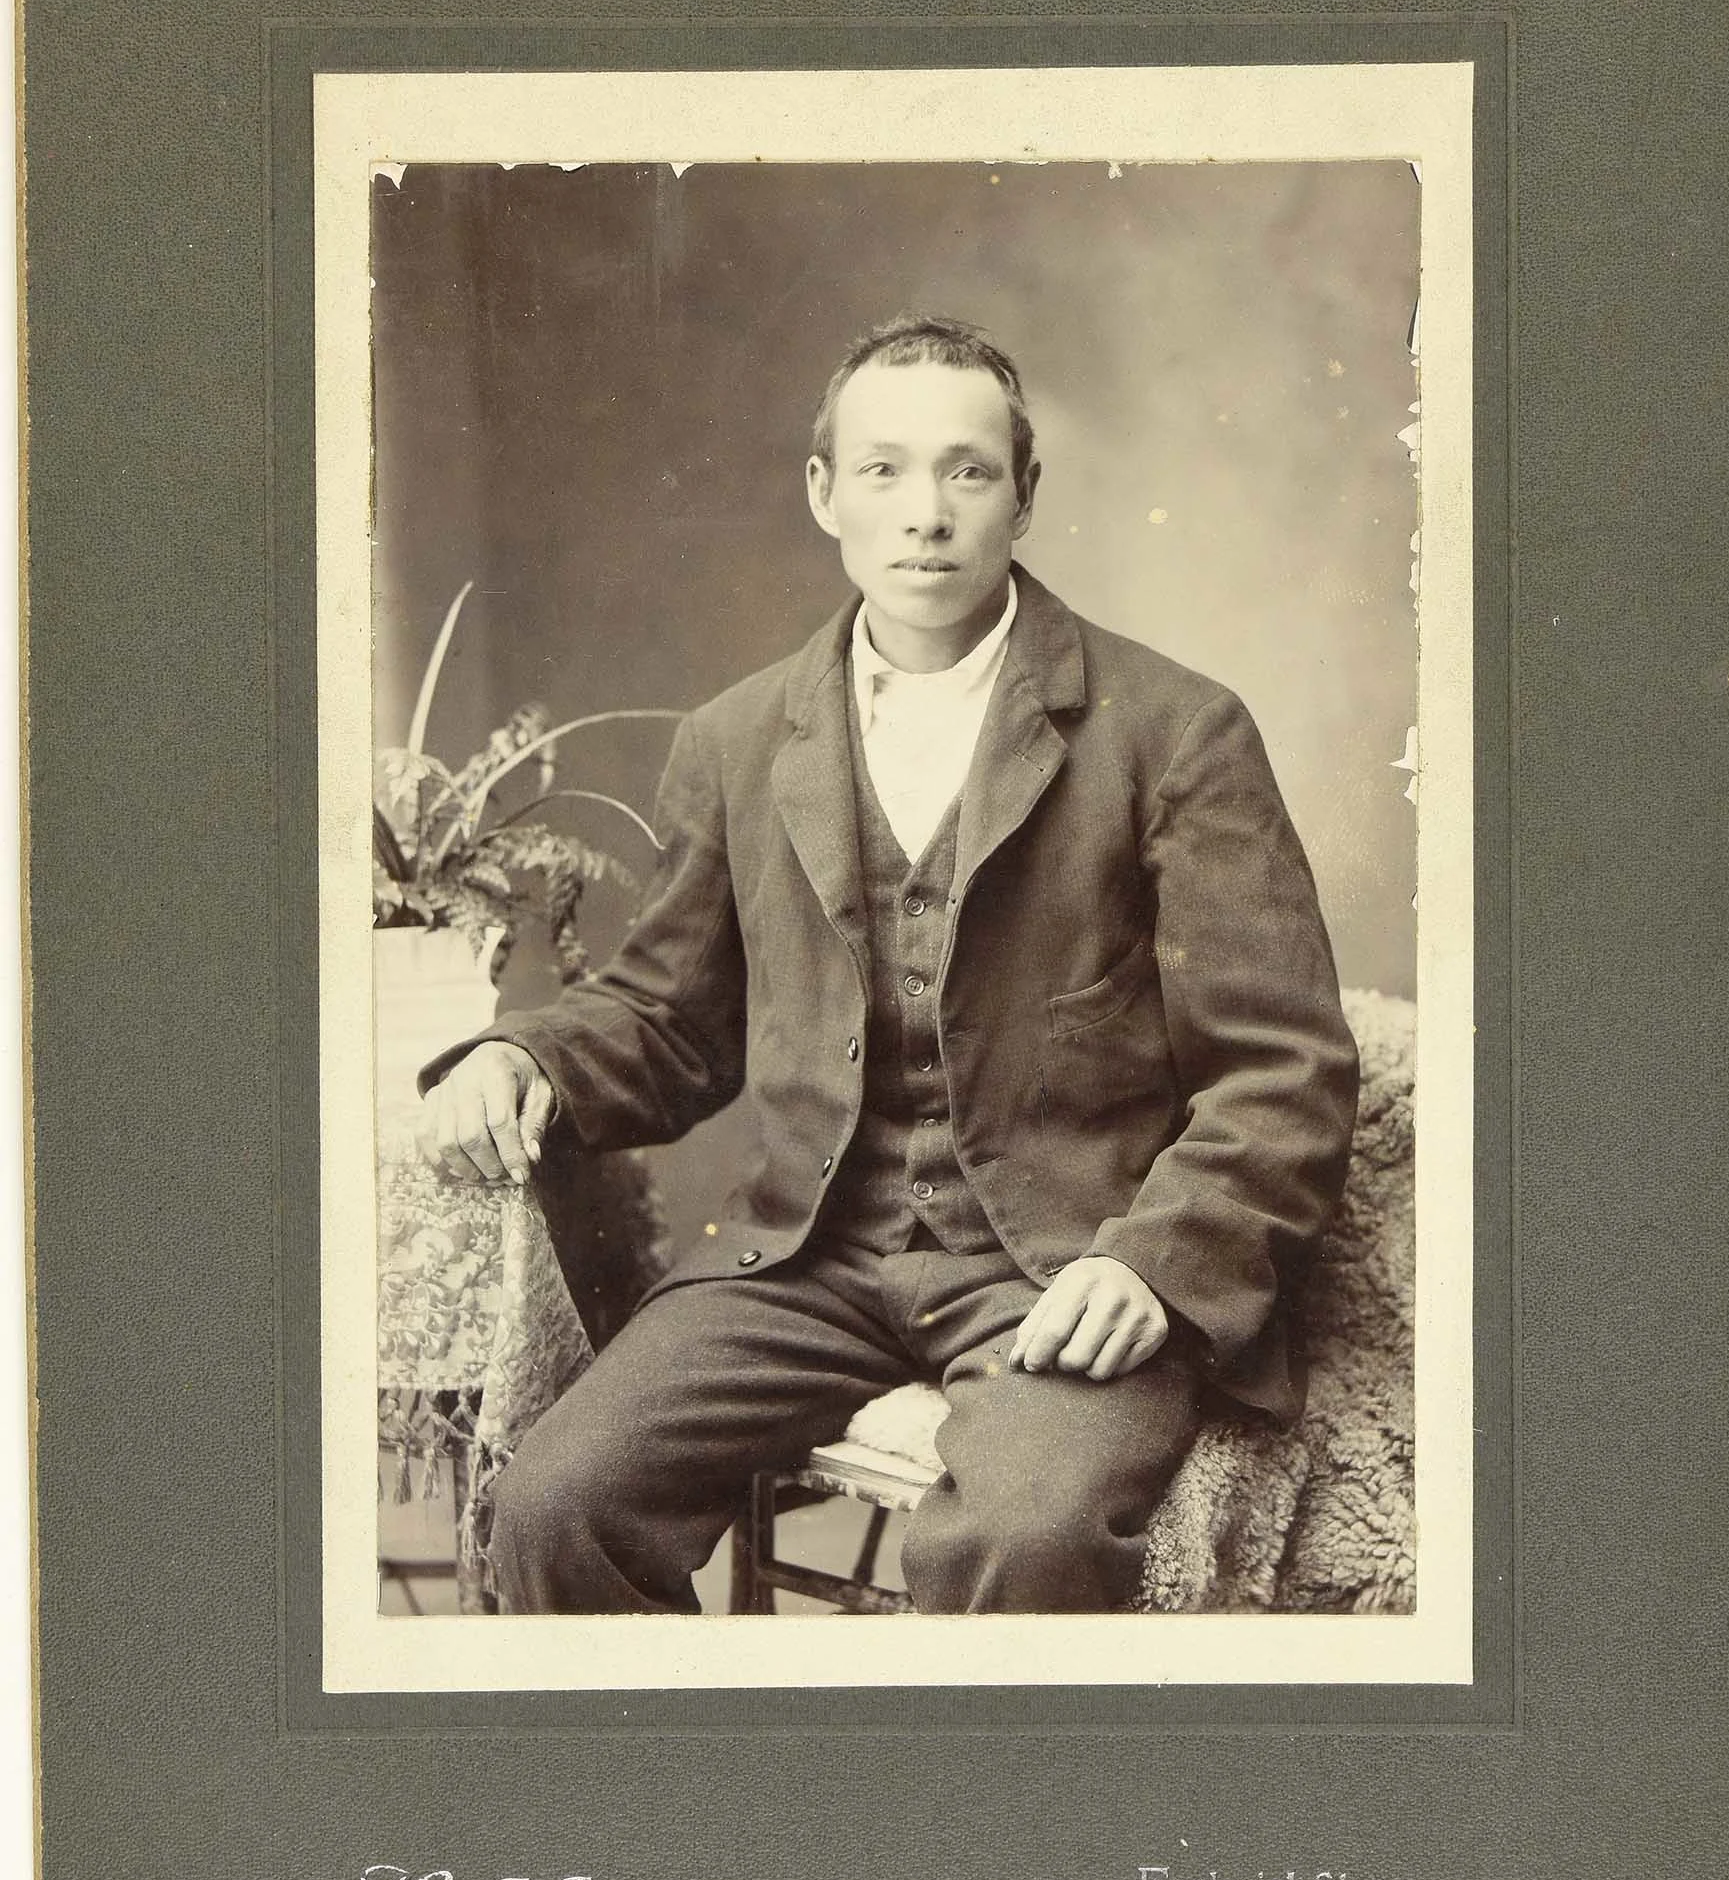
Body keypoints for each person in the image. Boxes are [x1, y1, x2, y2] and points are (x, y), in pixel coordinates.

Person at [417, 313, 1358, 1614]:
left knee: (1019, 1536)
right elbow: (669, 1018)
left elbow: (1282, 1070)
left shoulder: (1175, 731)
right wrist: (525, 1054)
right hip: (806, 1265)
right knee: (556, 1506)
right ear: (825, 494)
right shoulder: (738, 739)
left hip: (1062, 1265)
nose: (926, 513)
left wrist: (1153, 1261)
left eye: (968, 470)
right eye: (883, 470)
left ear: (1024, 495)